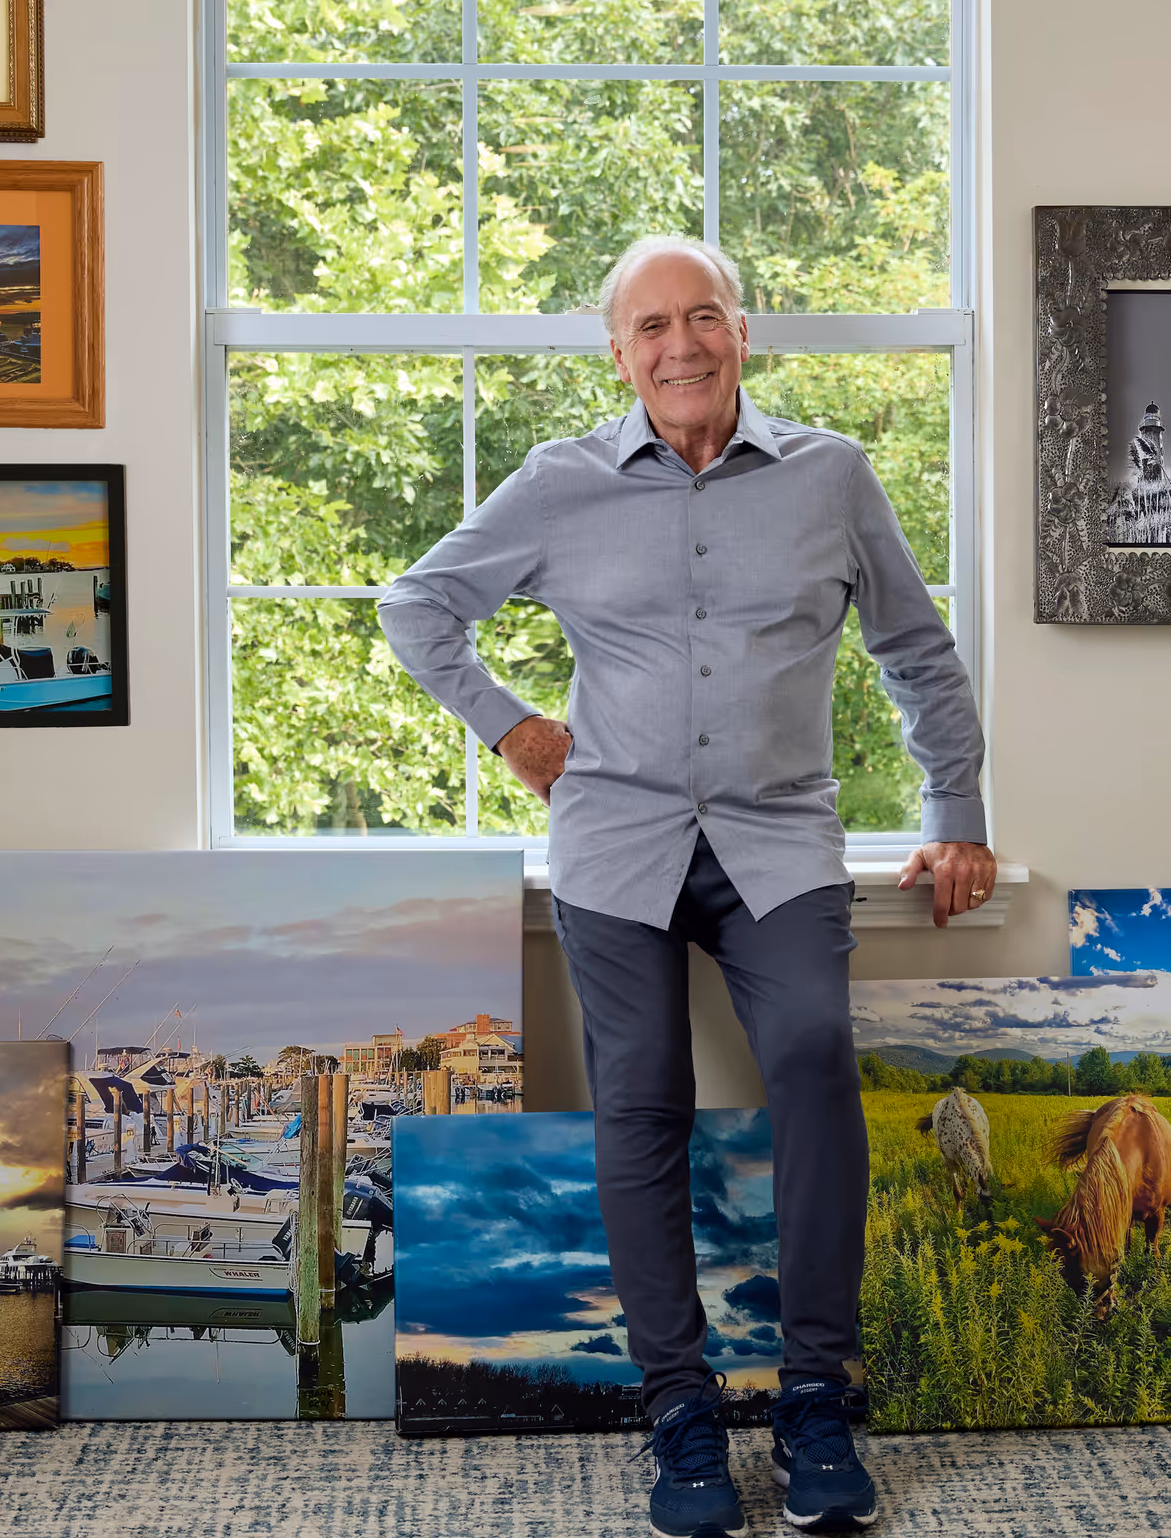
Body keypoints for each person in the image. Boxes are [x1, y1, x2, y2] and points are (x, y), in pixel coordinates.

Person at [379, 236, 994, 1537]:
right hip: (616, 842)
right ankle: (680, 1407)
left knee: (817, 1057)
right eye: (649, 327)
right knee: (640, 1097)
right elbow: (417, 606)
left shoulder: (831, 477)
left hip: (777, 841)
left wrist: (957, 815)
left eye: (701, 317)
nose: (680, 346)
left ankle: (819, 1391)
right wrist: (509, 728)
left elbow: (917, 654)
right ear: (619, 356)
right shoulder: (558, 487)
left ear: (743, 333)